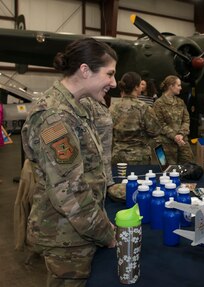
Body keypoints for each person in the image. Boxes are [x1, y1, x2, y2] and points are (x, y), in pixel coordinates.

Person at [20, 38, 117, 286]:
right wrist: (105, 233)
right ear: (85, 70)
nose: (114, 83)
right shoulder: (55, 117)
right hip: (66, 236)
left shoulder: (76, 107)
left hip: (79, 231)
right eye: (109, 74)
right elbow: (69, 193)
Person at [110, 72, 161, 165]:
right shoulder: (143, 107)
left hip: (117, 157)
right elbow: (155, 131)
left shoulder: (113, 107)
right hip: (139, 158)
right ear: (136, 87)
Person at [153, 75, 194, 164]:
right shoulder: (159, 103)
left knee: (189, 166)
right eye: (178, 85)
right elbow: (160, 124)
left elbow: (186, 120)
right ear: (171, 86)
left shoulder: (180, 102)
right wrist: (174, 136)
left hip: (182, 141)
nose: (181, 88)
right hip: (166, 143)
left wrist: (181, 134)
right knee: (168, 171)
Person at [80, 96, 114, 187]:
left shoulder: (99, 99)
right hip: (91, 182)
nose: (113, 84)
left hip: (104, 176)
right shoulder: (84, 102)